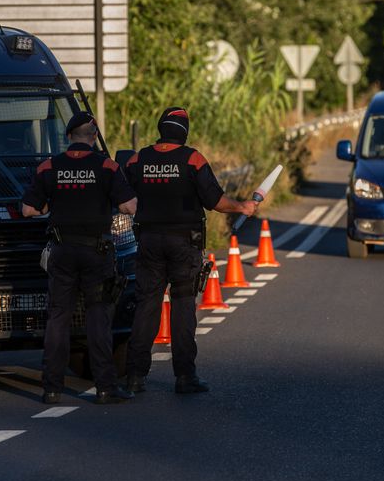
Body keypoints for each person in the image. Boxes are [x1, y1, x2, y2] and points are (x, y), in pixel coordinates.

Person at [123, 107, 256, 394]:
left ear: (161, 128)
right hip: (184, 243)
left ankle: (134, 376)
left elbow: (120, 192)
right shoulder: (192, 159)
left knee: (147, 305)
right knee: (183, 306)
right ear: (184, 131)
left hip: (148, 241)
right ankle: (185, 376)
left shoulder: (139, 158)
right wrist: (242, 207)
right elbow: (215, 200)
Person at [22, 113, 138, 405]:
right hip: (96, 253)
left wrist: (51, 205)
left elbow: (28, 210)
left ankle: (51, 388)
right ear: (94, 134)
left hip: (61, 252)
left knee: (58, 318)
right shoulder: (107, 167)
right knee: (98, 318)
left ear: (69, 136)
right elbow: (130, 206)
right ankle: (105, 387)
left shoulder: (49, 167)